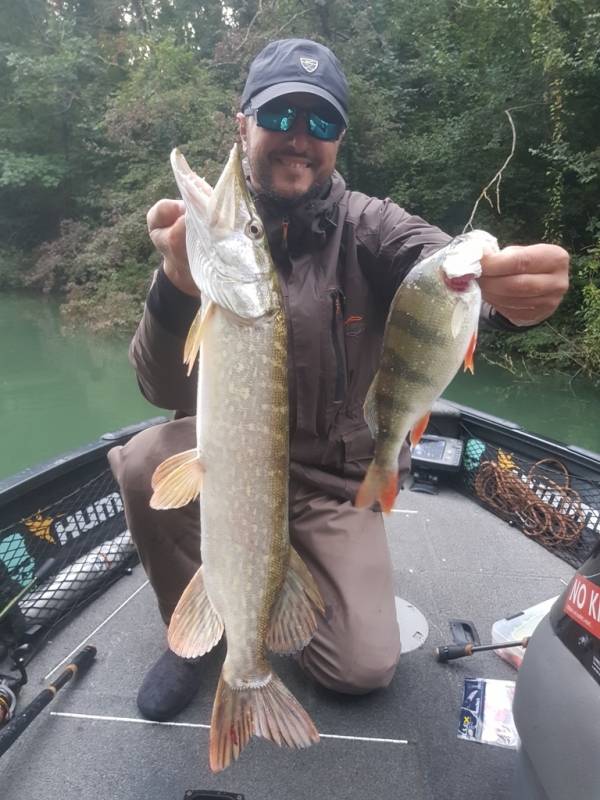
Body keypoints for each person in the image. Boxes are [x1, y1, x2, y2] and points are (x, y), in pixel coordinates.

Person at [107, 38, 569, 722]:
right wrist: (175, 289)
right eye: (280, 117)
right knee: (146, 461)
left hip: (332, 482)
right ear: (243, 122)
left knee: (362, 666)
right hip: (233, 468)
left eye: (320, 124)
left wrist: (501, 284)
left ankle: (279, 591)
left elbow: (435, 264)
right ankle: (196, 633)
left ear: (340, 141)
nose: (300, 138)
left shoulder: (372, 228)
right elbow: (157, 387)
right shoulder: (208, 248)